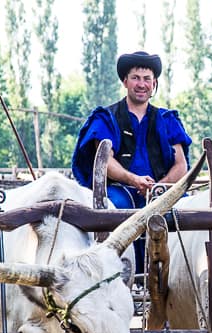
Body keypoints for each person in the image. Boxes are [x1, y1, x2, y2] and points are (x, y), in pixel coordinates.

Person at [72, 51, 193, 273]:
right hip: (120, 190)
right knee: (114, 210)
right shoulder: (106, 118)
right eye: (136, 78)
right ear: (125, 81)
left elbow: (181, 166)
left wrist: (159, 186)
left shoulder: (167, 120)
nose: (141, 84)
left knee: (184, 212)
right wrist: (133, 179)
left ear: (154, 83)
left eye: (147, 79)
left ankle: (178, 274)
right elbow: (105, 161)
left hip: (160, 191)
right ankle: (117, 274)